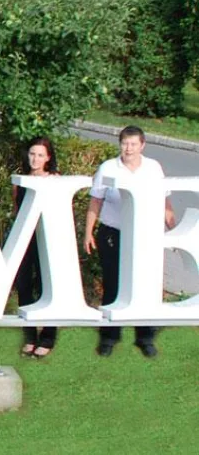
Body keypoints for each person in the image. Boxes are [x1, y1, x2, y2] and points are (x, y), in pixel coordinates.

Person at [83, 125, 175, 358]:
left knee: (144, 285)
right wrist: (88, 232)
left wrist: (172, 229)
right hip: (113, 232)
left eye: (134, 144)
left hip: (143, 235)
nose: (129, 148)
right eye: (125, 143)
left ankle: (145, 337)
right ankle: (109, 338)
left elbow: (164, 201)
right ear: (120, 144)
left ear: (142, 145)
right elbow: (96, 202)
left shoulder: (153, 168)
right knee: (113, 283)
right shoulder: (108, 168)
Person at [14, 137, 59, 358]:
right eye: (32, 154)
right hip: (25, 238)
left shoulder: (54, 180)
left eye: (40, 155)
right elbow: (17, 209)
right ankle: (29, 335)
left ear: (48, 157)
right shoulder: (20, 179)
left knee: (46, 284)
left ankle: (48, 337)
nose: (35, 158)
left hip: (47, 237)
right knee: (24, 284)